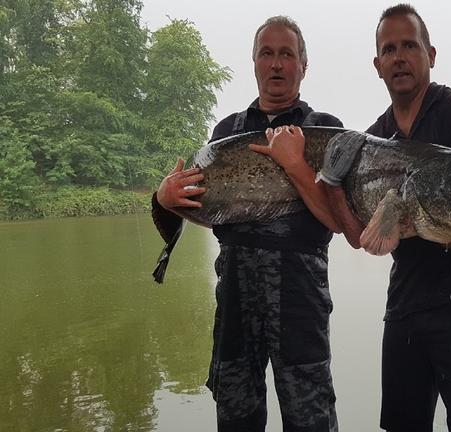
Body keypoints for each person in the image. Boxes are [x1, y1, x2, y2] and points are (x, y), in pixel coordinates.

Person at [322, 4, 451, 431]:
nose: (399, 56)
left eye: (409, 45)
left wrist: (413, 221)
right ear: (377, 65)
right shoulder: (373, 139)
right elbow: (359, 238)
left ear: (431, 53)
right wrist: (332, 183)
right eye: (389, 49)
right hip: (407, 301)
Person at [151, 16, 341, 432]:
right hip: (235, 295)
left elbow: (340, 217)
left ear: (303, 66)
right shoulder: (226, 133)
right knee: (236, 417)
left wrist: (296, 164)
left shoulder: (326, 131)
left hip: (301, 298)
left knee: (311, 419)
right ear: (254, 64)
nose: (276, 64)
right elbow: (192, 203)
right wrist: (164, 197)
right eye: (266, 53)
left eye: (286, 54)